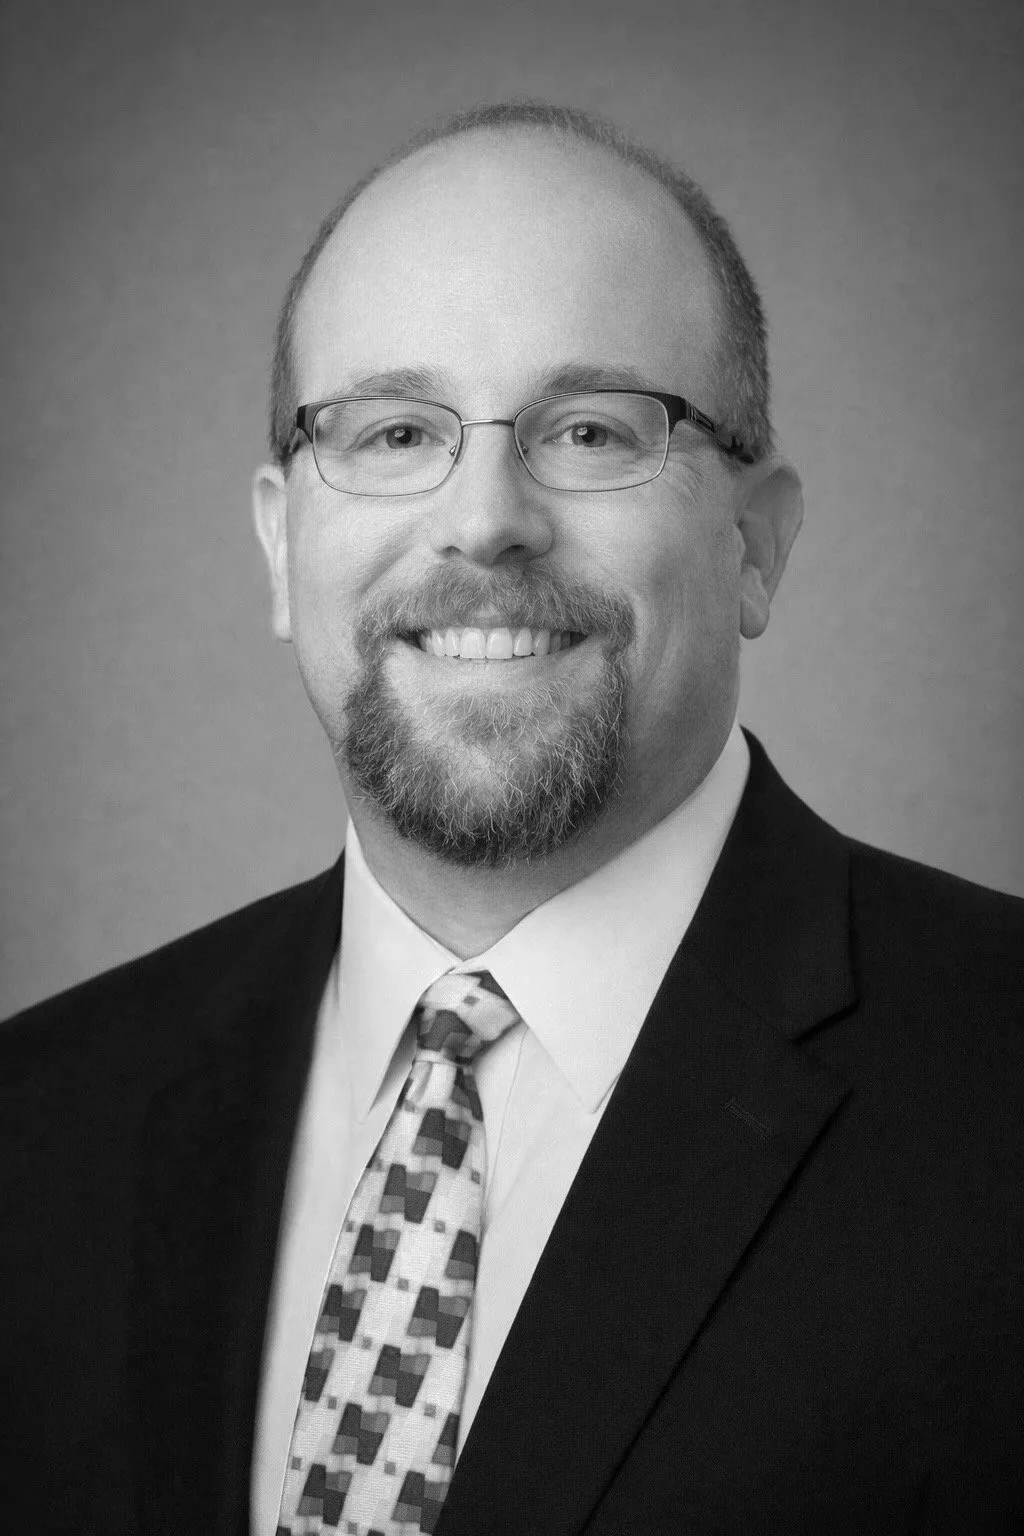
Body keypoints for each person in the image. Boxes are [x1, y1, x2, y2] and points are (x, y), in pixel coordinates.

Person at [1, 101, 1021, 1536]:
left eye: (591, 429)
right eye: (393, 431)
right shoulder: (38, 1126)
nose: (484, 520)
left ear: (755, 542)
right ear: (282, 542)